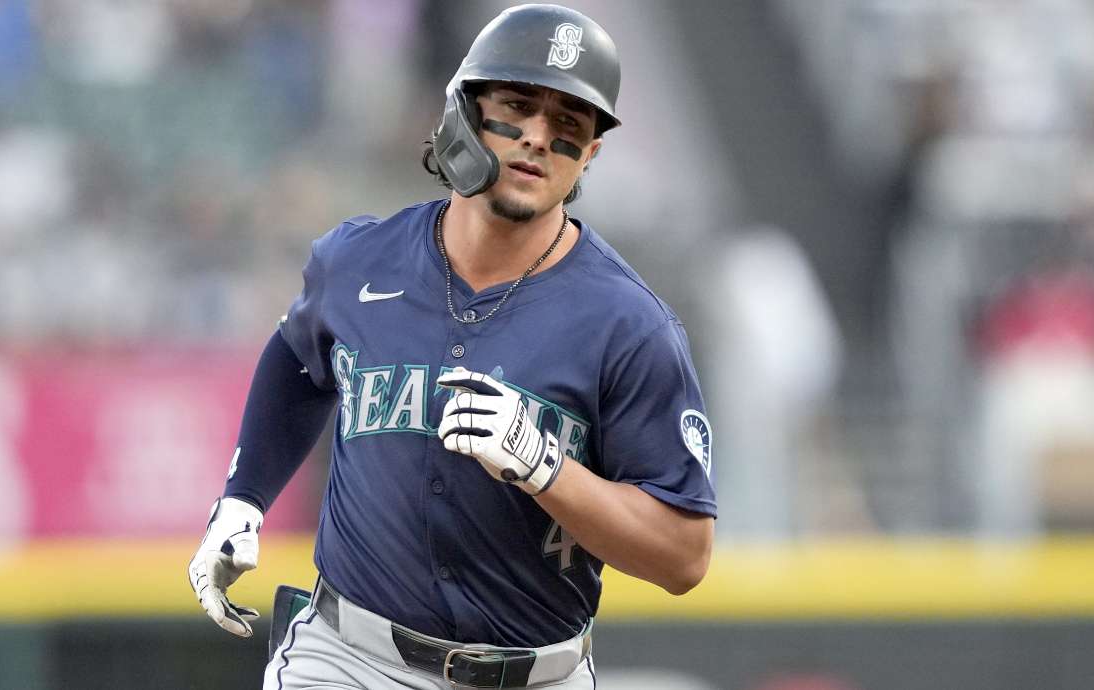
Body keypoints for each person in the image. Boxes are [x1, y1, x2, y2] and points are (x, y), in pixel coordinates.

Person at [188, 5, 717, 689]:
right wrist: (243, 499)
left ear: (589, 154)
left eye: (568, 126)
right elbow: (297, 357)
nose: (537, 138)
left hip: (535, 673)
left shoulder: (629, 325)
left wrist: (546, 467)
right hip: (348, 657)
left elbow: (683, 556)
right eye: (517, 107)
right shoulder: (360, 261)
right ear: (464, 112)